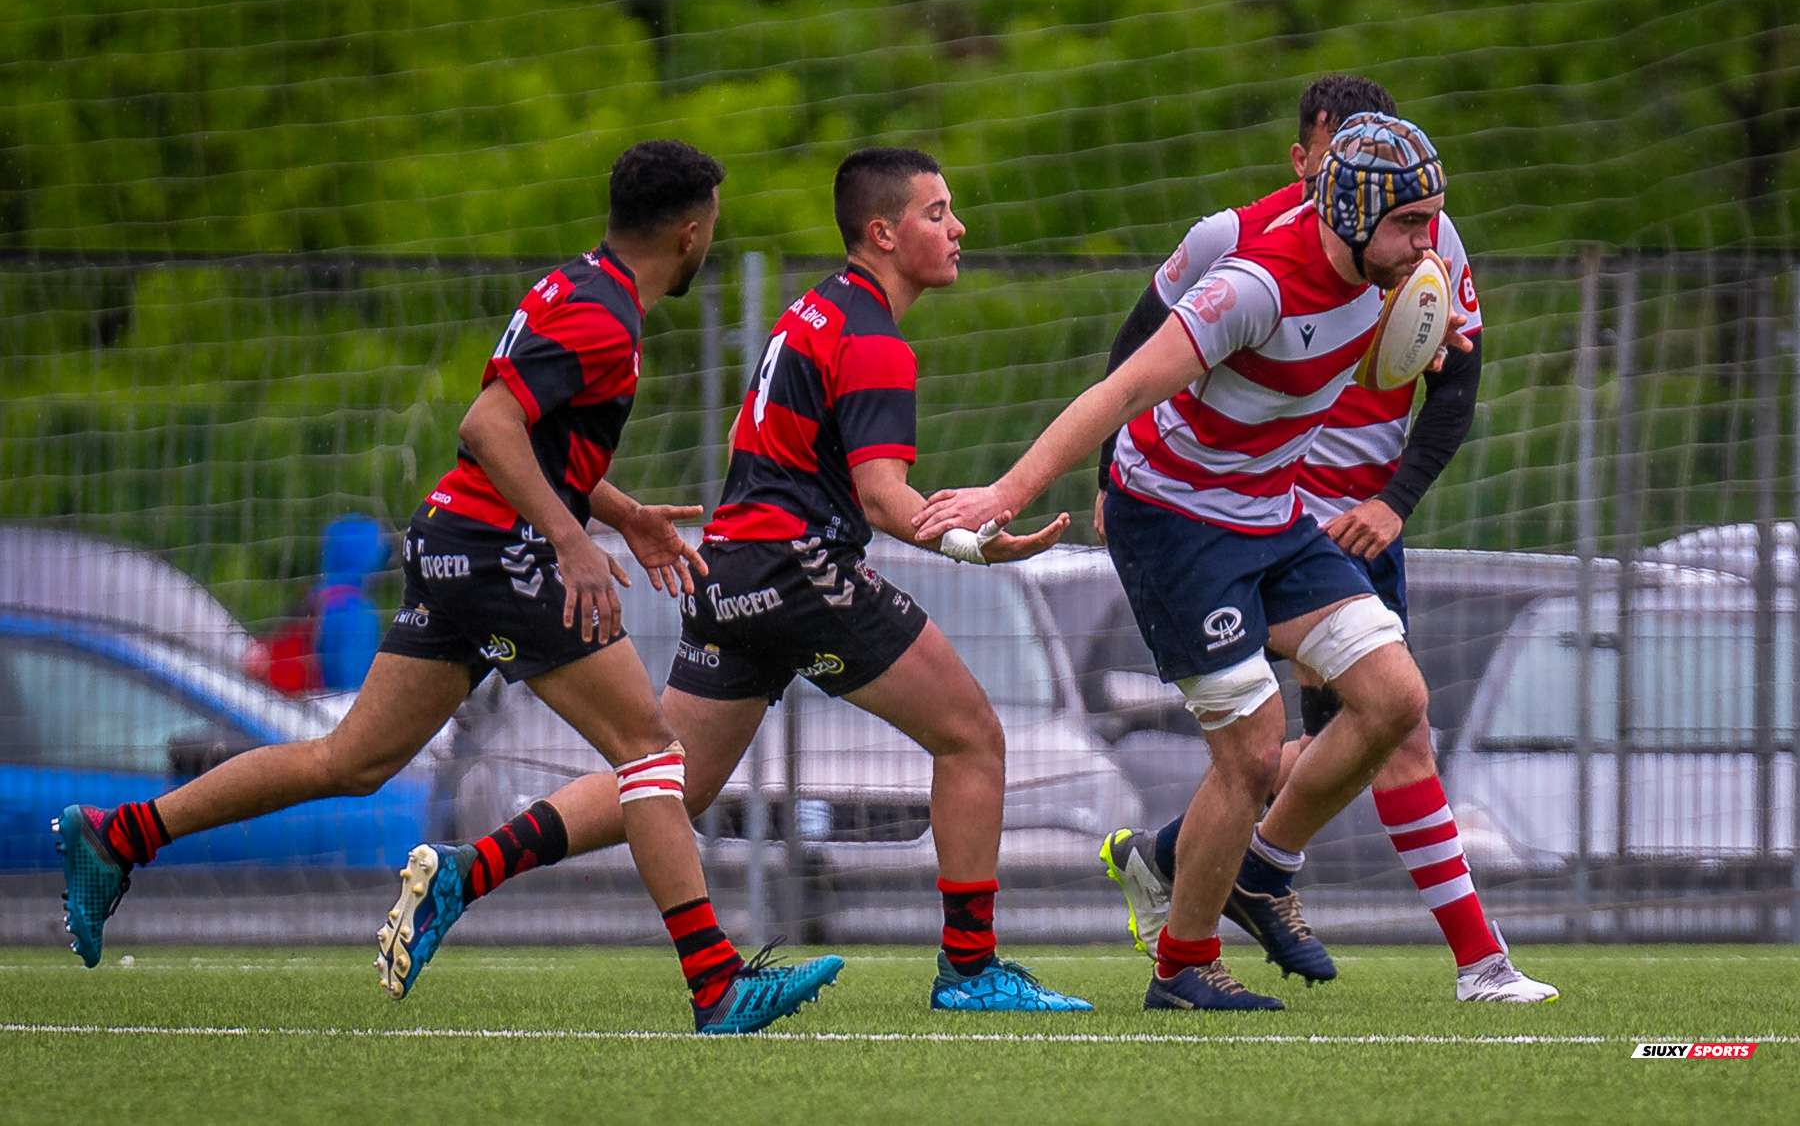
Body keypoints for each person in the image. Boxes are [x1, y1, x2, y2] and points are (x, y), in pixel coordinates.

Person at [54, 140, 843, 1036]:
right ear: (693, 233)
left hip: (459, 542)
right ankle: (717, 985)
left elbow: (531, 443)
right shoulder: (602, 317)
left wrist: (615, 511)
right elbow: (488, 427)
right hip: (500, 552)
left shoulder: (580, 286)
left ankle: (119, 837)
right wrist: (567, 540)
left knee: (349, 759)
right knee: (654, 753)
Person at [376, 147, 1093, 1014]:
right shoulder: (873, 339)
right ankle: (972, 972)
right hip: (799, 573)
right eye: (938, 212)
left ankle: (469, 868)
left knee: (673, 779)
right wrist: (981, 543)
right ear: (884, 232)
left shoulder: (808, 313)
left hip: (728, 571)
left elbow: (739, 449)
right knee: (974, 736)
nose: (958, 228)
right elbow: (883, 495)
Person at [916, 113, 1473, 1013]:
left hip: (1273, 511)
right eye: (1412, 223)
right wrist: (1004, 493)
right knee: (1251, 749)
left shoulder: (1399, 272)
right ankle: (1183, 964)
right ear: (1353, 213)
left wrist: (1421, 339)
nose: (1430, 241)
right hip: (1173, 521)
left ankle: (1259, 869)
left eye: (1434, 218)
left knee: (1395, 696)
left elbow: (1356, 355)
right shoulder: (1252, 284)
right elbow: (1123, 387)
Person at [1093, 78, 1557, 1003]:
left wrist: (1395, 499)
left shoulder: (1421, 239)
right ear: (1307, 158)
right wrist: (1108, 473)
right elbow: (1135, 354)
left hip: (1352, 522)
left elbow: (1456, 384)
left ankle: (1199, 862)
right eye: (1323, 154)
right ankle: (1474, 960)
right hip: (1255, 515)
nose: (1337, 173)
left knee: (1361, 728)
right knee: (1374, 731)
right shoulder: (1237, 246)